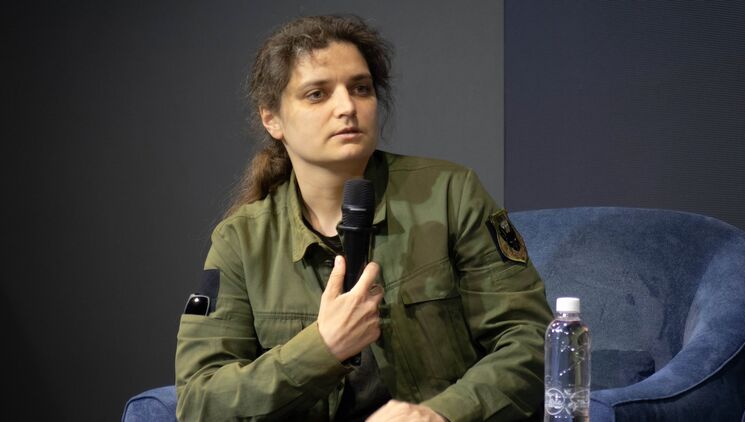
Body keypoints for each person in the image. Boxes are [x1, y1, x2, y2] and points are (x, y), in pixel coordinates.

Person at [175, 14, 553, 422]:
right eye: (317, 94)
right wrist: (322, 347)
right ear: (272, 119)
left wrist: (440, 415)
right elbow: (199, 400)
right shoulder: (240, 241)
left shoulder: (450, 194)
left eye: (361, 88)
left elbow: (531, 340)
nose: (347, 107)